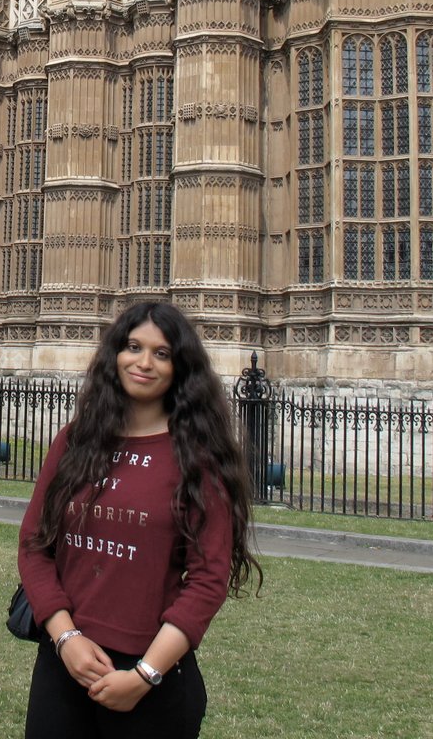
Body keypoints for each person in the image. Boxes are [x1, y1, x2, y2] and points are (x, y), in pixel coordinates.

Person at [17, 300, 261, 738]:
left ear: (180, 367)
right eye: (133, 347)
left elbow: (208, 579)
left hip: (151, 676)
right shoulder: (76, 441)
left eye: (161, 353)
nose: (144, 362)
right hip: (64, 662)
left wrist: (146, 674)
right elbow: (35, 544)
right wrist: (65, 638)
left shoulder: (199, 459)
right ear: (115, 355)